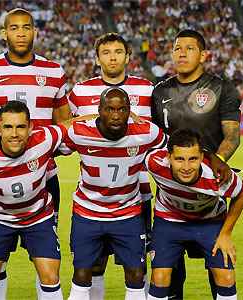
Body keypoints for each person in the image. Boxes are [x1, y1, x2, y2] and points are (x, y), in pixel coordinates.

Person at [0, 9, 71, 296]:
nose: (21, 33)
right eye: (14, 28)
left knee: (47, 257)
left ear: (35, 31)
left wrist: (48, 149)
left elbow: (65, 121)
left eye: (27, 27)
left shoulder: (53, 71)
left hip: (43, 175)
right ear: (4, 33)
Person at [0, 101, 94, 300]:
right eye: (8, 127)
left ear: (31, 127)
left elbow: (73, 124)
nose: (14, 134)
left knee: (50, 276)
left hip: (38, 218)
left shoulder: (45, 138)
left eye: (21, 126)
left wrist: (112, 118)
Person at [151, 29, 241, 300]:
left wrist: (217, 162)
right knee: (170, 272)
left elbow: (232, 136)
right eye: (177, 48)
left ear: (203, 55)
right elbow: (154, 139)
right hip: (171, 196)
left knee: (219, 269)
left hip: (208, 194)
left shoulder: (221, 87)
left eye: (189, 48)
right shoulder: (160, 91)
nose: (181, 52)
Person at [67, 32, 155, 298]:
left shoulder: (146, 89)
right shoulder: (81, 91)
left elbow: (156, 135)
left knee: (138, 262)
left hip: (138, 190)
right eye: (106, 52)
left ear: (128, 56)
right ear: (97, 58)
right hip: (95, 190)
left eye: (118, 51)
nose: (112, 57)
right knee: (94, 263)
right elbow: (68, 124)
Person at [60, 87, 166, 300]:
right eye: (109, 109)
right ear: (99, 110)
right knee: (82, 274)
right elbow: (47, 142)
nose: (116, 115)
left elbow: (174, 148)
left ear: (130, 111)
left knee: (136, 275)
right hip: (87, 213)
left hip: (128, 214)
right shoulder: (79, 133)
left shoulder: (147, 133)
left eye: (122, 109)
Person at [145, 129, 243, 300]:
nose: (186, 167)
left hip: (209, 222)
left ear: (201, 157)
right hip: (169, 221)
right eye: (179, 159)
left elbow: (241, 193)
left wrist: (226, 234)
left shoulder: (218, 177)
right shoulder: (154, 163)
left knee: (226, 277)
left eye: (193, 159)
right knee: (159, 277)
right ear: (168, 157)